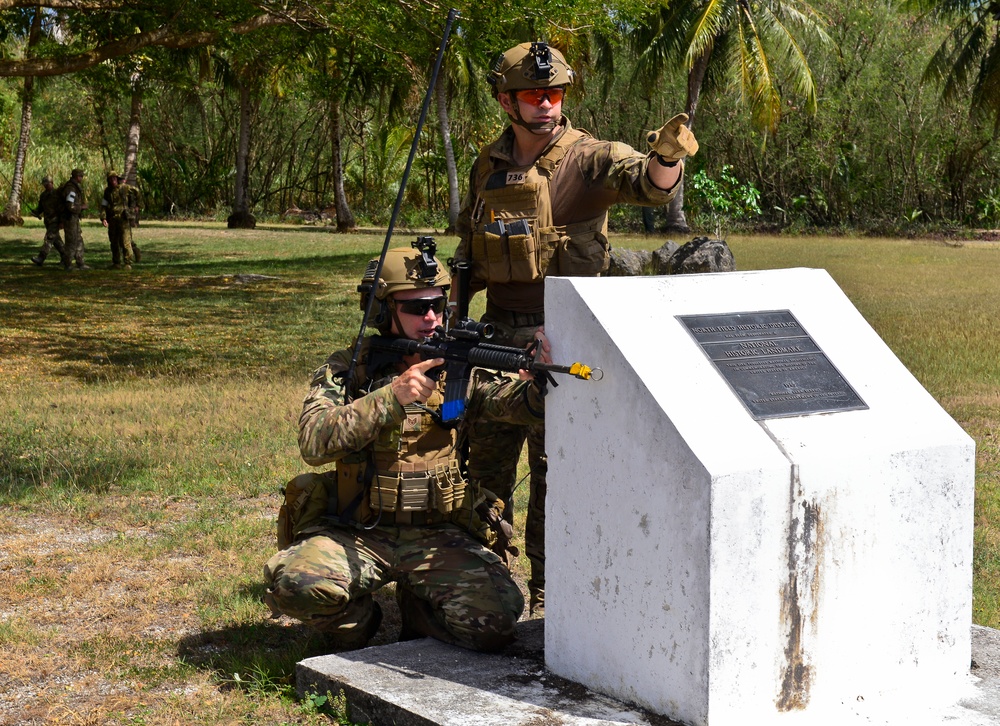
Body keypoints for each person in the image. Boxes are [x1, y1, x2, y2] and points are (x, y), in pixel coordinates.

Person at [452, 40, 699, 616]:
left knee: (553, 469)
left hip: (561, 340)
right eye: (534, 94)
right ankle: (479, 576)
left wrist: (667, 159)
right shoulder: (488, 163)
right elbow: (470, 247)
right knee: (481, 458)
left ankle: (552, 591)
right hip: (492, 336)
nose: (546, 104)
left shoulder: (590, 157)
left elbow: (645, 181)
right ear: (506, 101)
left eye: (555, 93)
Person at [263, 244, 546, 652]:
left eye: (437, 305)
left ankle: (419, 610)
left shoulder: (458, 369)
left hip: (438, 531)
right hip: (358, 530)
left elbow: (514, 403)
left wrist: (537, 384)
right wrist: (390, 399)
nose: (431, 318)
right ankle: (359, 626)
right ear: (382, 312)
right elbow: (314, 441)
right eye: (416, 308)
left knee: (496, 618)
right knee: (296, 585)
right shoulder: (350, 369)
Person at [100, 173, 138, 269]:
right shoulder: (107, 192)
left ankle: (128, 262)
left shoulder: (124, 188)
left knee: (125, 241)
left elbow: (136, 192)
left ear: (117, 179)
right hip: (112, 220)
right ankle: (116, 263)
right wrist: (103, 218)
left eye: (114, 178)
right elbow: (104, 205)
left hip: (123, 219)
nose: (113, 180)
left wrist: (135, 207)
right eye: (111, 178)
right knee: (114, 242)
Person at [30, 176, 65, 266]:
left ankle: (41, 258)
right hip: (48, 221)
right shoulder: (43, 195)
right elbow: (41, 208)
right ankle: (66, 257)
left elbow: (62, 209)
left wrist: (61, 221)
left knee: (49, 238)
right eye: (44, 184)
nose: (45, 186)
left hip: (55, 220)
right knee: (56, 241)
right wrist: (36, 212)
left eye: (47, 184)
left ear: (52, 183)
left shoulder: (57, 194)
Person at [58, 168, 89, 271]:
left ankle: (80, 262)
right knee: (71, 241)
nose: (82, 178)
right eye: (81, 176)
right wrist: (81, 207)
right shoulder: (71, 189)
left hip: (74, 219)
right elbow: (70, 206)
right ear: (77, 176)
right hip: (69, 218)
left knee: (78, 240)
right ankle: (68, 264)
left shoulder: (75, 187)